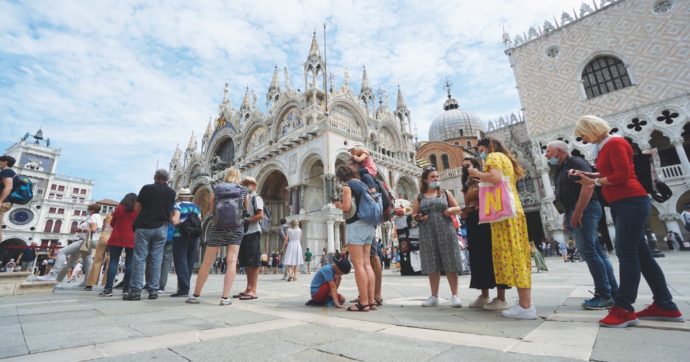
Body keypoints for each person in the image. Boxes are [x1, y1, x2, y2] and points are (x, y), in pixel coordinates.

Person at [573, 115, 684, 327]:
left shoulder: (615, 143)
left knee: (627, 254)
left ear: (591, 129)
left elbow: (623, 176)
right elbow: (610, 172)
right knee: (642, 256)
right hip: (622, 203)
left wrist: (594, 182)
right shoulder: (606, 146)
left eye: (583, 134)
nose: (583, 139)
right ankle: (666, 305)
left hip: (630, 201)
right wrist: (588, 174)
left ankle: (624, 309)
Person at [468, 137, 536, 319]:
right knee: (519, 255)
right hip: (513, 210)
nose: (480, 153)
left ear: (488, 147)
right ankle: (525, 303)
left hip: (503, 213)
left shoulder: (493, 156)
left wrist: (477, 174)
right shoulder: (505, 158)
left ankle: (525, 306)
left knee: (513, 255)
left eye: (481, 149)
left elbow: (495, 177)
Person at [187, 168, 247, 305]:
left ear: (226, 176)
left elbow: (212, 208)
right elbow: (245, 207)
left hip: (217, 227)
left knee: (206, 262)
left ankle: (195, 295)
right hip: (236, 227)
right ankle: (225, 298)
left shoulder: (217, 188)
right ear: (238, 176)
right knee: (232, 261)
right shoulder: (242, 189)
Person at [412, 167, 463, 308]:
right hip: (427, 232)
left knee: (450, 260)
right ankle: (434, 296)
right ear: (425, 180)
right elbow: (413, 214)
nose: (436, 179)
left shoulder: (445, 193)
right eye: (432, 177)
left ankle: (455, 295)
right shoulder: (420, 197)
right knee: (431, 262)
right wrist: (421, 217)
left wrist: (451, 210)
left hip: (446, 230)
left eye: (437, 177)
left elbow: (458, 208)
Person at [125, 169, 176, 301]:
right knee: (157, 259)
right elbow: (170, 212)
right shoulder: (171, 192)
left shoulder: (146, 188)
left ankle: (135, 291)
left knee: (140, 257)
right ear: (168, 179)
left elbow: (136, 208)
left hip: (144, 227)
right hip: (161, 228)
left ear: (154, 177)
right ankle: (153, 290)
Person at [461, 157, 503, 310]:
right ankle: (484, 295)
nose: (466, 169)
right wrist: (465, 210)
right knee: (478, 257)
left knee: (494, 255)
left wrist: (472, 195)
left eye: (469, 165)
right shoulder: (466, 185)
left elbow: (485, 193)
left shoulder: (486, 176)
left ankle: (501, 297)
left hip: (489, 220)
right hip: (473, 219)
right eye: (463, 167)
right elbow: (468, 200)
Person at [335, 161, 376, 312]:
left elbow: (346, 207)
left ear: (341, 177)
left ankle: (363, 302)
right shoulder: (364, 185)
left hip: (356, 225)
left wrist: (338, 205)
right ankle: (371, 301)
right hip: (369, 226)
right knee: (367, 264)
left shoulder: (348, 186)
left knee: (358, 264)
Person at [37, 203, 103, 285]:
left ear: (92, 210)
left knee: (62, 252)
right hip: (90, 241)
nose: (88, 211)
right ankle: (87, 282)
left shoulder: (93, 217)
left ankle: (53, 275)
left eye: (88, 210)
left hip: (84, 241)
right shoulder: (98, 217)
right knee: (85, 262)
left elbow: (93, 229)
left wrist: (81, 230)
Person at [100, 193, 138, 297]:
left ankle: (108, 289)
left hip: (116, 236)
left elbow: (112, 224)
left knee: (113, 262)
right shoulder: (137, 210)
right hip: (132, 238)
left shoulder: (119, 208)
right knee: (130, 263)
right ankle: (126, 289)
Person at [234, 176, 263, 301]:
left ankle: (253, 290)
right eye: (244, 184)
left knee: (254, 262)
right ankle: (248, 288)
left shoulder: (257, 198)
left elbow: (260, 215)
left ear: (254, 185)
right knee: (246, 263)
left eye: (248, 184)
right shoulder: (244, 198)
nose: (246, 186)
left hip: (253, 232)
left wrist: (247, 220)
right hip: (244, 233)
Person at [170, 188, 201, 298]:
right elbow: (199, 221)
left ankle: (183, 289)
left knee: (180, 261)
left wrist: (177, 223)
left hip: (180, 236)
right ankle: (185, 287)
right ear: (189, 196)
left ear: (180, 196)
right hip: (194, 237)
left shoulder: (178, 206)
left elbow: (175, 220)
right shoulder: (196, 207)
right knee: (190, 262)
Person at [85, 212, 113, 290]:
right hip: (113, 237)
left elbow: (103, 227)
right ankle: (105, 283)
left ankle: (90, 284)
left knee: (97, 260)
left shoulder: (108, 215)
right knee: (111, 261)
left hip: (104, 236)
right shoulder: (122, 215)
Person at [0, 155, 17, 242]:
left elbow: (8, 186)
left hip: (3, 202)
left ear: (5, 162)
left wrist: (0, 200)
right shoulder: (10, 172)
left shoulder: (6, 171)